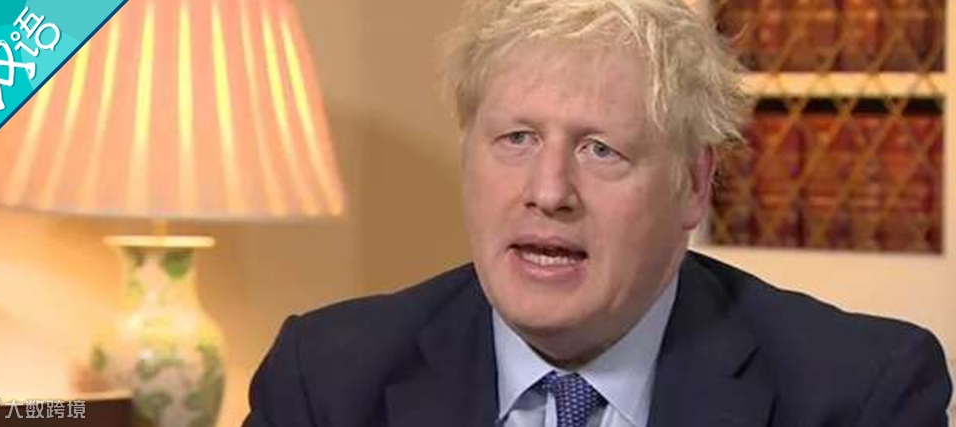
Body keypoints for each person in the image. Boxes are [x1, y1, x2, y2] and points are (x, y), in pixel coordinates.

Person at [243, 0, 952, 425]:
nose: (549, 191)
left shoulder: (860, 393)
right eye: (517, 139)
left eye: (600, 149)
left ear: (694, 185)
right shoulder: (325, 381)